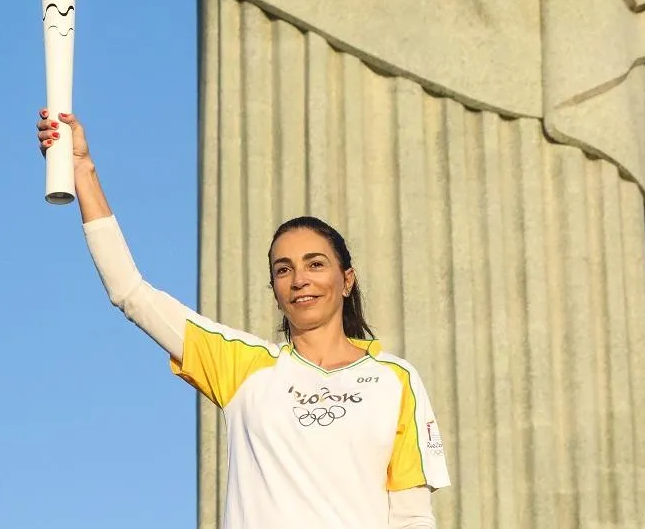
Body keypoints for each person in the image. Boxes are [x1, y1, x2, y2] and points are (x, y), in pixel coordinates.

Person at [36, 110, 451, 528]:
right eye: (284, 269)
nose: (300, 280)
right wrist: (82, 171)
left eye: (315, 264)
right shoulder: (243, 366)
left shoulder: (395, 380)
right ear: (275, 291)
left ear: (346, 279)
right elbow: (130, 291)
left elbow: (413, 515)